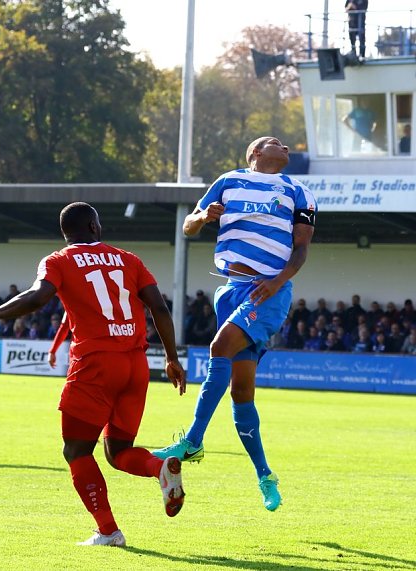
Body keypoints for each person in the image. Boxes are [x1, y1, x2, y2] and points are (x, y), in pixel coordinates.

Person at [0, 202, 187, 547]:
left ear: (66, 233)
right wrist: (172, 358)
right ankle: (160, 468)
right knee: (118, 451)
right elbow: (159, 307)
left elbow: (38, 298)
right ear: (95, 227)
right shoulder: (129, 259)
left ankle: (109, 532)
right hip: (135, 365)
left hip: (96, 364)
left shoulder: (58, 260)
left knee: (77, 451)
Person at [152, 136, 316, 512]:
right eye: (274, 142)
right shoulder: (228, 181)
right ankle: (265, 476)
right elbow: (187, 228)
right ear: (255, 153)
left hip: (268, 292)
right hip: (230, 291)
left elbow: (302, 246)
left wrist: (277, 281)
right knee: (241, 392)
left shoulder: (298, 190)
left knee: (218, 348)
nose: (284, 146)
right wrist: (202, 218)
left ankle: (192, 441)